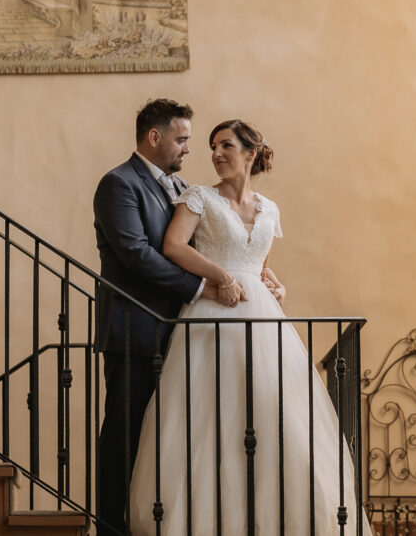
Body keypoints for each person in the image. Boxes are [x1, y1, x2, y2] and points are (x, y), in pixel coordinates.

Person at [127, 119, 365, 536]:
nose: (216, 154)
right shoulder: (198, 197)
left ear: (251, 153)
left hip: (263, 317)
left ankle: (278, 521)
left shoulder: (269, 208)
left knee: (275, 413)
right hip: (213, 312)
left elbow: (261, 263)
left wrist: (277, 283)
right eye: (213, 147)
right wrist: (219, 276)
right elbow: (173, 247)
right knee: (212, 415)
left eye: (226, 146)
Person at [92, 99, 244, 536]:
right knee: (125, 433)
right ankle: (110, 527)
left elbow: (205, 246)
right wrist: (200, 288)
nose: (187, 150)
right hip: (135, 331)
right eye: (181, 140)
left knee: (170, 438)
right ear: (153, 137)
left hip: (180, 334)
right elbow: (136, 253)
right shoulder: (118, 184)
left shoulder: (180, 190)